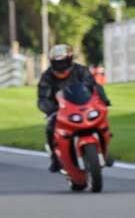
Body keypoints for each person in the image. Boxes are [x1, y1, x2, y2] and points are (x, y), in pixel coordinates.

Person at [38, 44, 111, 172]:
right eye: (57, 62)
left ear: (70, 59)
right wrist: (50, 109)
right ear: (52, 62)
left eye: (63, 61)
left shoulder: (80, 70)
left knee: (102, 122)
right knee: (50, 127)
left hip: (84, 106)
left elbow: (94, 86)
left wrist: (103, 100)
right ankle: (55, 158)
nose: (60, 65)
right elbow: (43, 97)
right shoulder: (47, 76)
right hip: (61, 110)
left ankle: (106, 152)